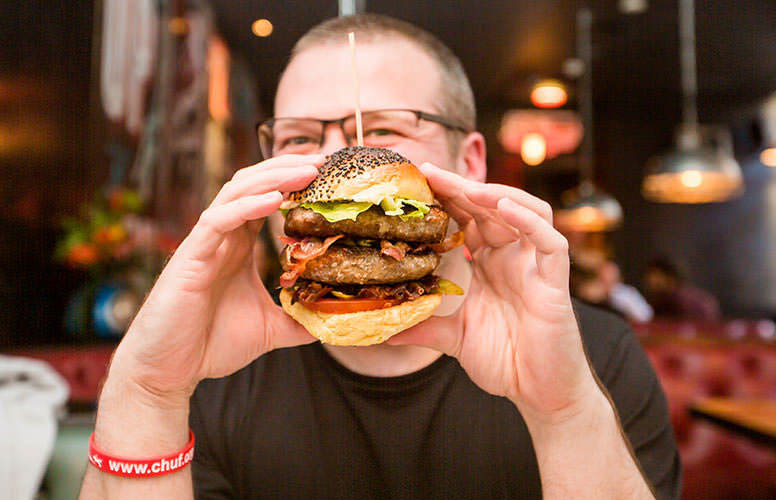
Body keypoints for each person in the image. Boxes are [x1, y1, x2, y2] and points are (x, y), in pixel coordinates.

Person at [79, 14, 680, 500]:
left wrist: (565, 414)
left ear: (469, 161)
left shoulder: (594, 357)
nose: (335, 161)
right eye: (298, 138)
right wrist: (148, 391)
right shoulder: (214, 369)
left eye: (384, 131)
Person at [643, 256, 720, 321]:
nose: (650, 281)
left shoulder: (685, 300)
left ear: (669, 276)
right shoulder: (662, 299)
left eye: (656, 276)